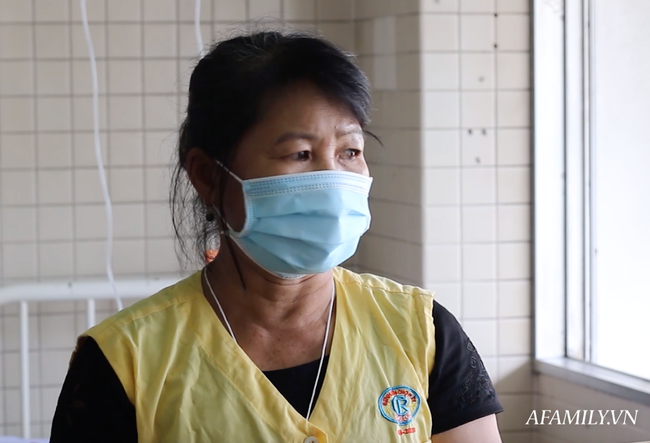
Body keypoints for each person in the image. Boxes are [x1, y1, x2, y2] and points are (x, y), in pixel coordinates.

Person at [50, 30, 503, 442]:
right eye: (300, 154)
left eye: (350, 151)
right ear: (208, 176)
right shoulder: (123, 363)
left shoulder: (422, 332)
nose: (332, 179)